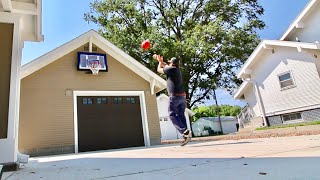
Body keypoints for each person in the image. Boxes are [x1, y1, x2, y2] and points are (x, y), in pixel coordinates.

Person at [153, 54, 192, 146]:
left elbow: (159, 69)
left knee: (172, 114)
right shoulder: (176, 69)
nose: (169, 62)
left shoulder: (170, 69)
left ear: (172, 63)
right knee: (181, 115)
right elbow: (165, 65)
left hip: (175, 96)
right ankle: (186, 134)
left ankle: (184, 131)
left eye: (170, 61)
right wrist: (161, 61)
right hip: (182, 97)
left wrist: (159, 62)